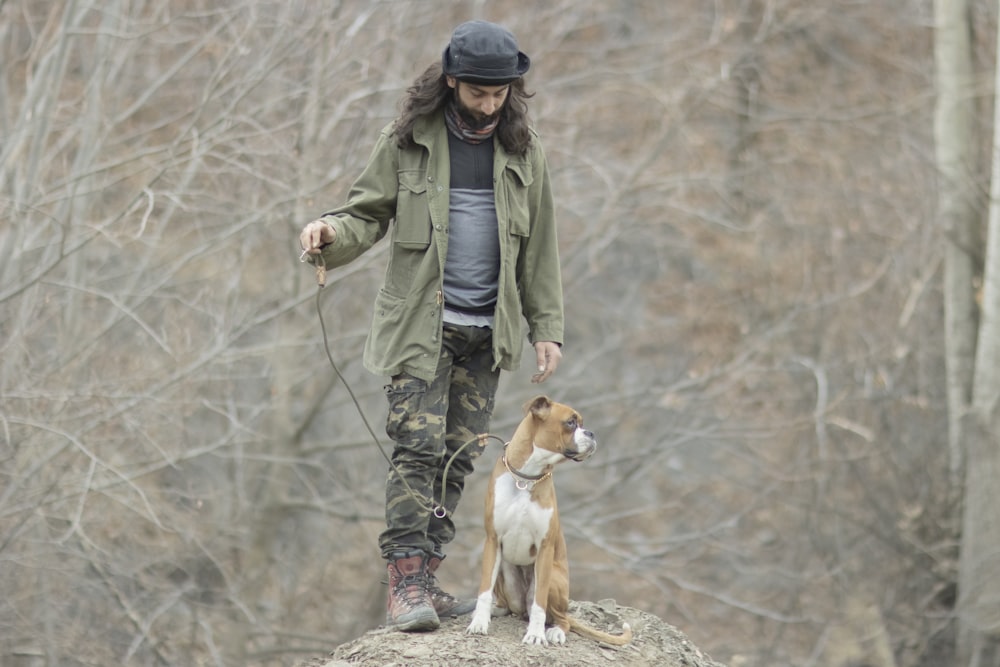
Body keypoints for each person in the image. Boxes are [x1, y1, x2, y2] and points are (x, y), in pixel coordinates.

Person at [298, 20, 564, 633]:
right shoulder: (406, 141)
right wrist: (330, 235)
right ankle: (405, 583)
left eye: (500, 94)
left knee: (458, 457)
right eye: (478, 93)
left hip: (487, 332)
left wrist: (545, 327)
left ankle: (432, 574)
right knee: (416, 449)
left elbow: (540, 247)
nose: (490, 104)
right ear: (451, 82)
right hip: (421, 326)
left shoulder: (525, 150)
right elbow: (365, 214)